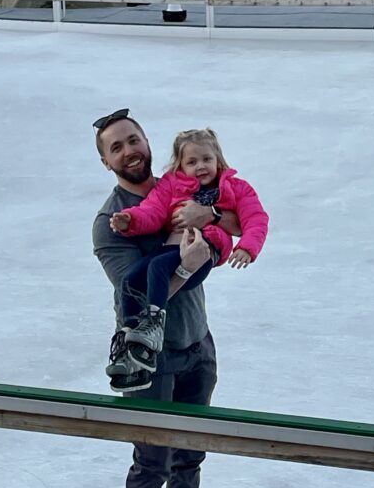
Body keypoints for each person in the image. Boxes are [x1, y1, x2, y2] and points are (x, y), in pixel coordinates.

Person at [92, 108, 242, 488]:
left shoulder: (188, 186)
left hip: (197, 341)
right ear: (108, 162)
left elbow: (240, 218)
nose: (130, 150)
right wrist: (187, 261)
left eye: (134, 139)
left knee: (190, 449)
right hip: (148, 356)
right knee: (150, 460)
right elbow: (136, 290)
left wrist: (211, 218)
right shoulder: (110, 223)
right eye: (117, 147)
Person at [107, 126, 268, 387]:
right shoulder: (172, 185)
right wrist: (131, 220)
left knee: (158, 267)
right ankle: (131, 342)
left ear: (218, 159)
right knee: (131, 280)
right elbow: (152, 210)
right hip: (175, 249)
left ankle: (153, 326)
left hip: (205, 248)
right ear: (180, 165)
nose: (201, 166)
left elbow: (255, 218)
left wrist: (247, 247)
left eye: (207, 159)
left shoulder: (236, 188)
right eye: (192, 161)